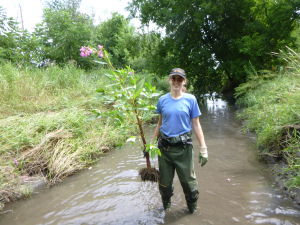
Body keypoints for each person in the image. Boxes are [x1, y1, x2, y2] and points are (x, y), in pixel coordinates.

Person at [152, 68, 208, 213]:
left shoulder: (191, 99)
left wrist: (203, 148)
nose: (176, 82)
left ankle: (192, 210)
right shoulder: (162, 100)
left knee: (190, 186)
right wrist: (151, 144)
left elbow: (196, 124)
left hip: (184, 150)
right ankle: (166, 209)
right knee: (164, 185)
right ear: (169, 80)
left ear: (184, 81)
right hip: (164, 149)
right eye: (174, 78)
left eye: (180, 79)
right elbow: (160, 123)